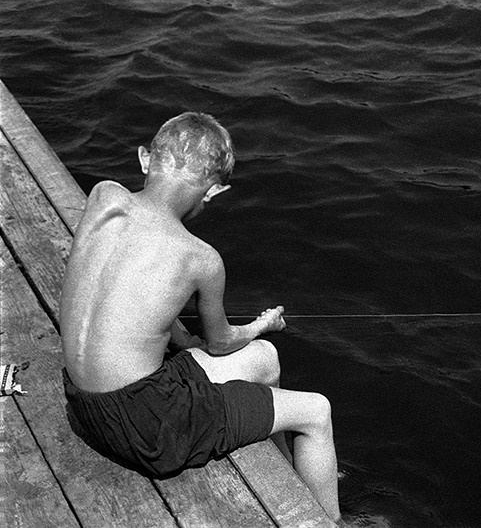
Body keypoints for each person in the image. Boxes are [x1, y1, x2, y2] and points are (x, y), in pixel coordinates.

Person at [60, 112, 341, 522]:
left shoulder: (104, 196)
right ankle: (332, 522)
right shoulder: (201, 259)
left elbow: (130, 284)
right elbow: (222, 343)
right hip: (148, 430)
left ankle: (289, 471)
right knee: (317, 411)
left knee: (266, 360)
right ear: (212, 192)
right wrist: (263, 324)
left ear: (144, 159)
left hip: (84, 406)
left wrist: (184, 341)